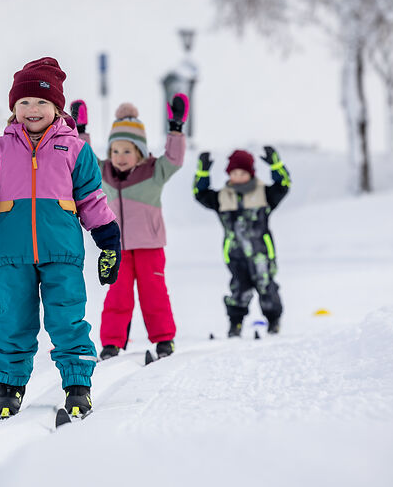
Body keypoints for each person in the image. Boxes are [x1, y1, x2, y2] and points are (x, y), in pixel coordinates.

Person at [0, 57, 121, 419]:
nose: (32, 109)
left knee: (67, 319)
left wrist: (108, 239)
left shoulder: (75, 149)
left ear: (57, 107)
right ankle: (9, 387)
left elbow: (91, 198)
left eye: (41, 102)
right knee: (13, 320)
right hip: (13, 253)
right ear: (13, 108)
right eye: (24, 102)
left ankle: (77, 386)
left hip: (63, 253)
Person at [98, 97, 188, 363]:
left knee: (154, 294)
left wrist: (176, 129)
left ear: (139, 151)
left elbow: (174, 158)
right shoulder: (104, 172)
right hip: (117, 246)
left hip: (149, 245)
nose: (120, 157)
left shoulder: (154, 171)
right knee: (117, 294)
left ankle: (163, 340)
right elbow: (82, 157)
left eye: (127, 151)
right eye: (115, 151)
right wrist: (80, 129)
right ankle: (111, 343)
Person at [193, 147, 291, 336]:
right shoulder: (222, 197)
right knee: (239, 288)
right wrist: (202, 172)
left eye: (243, 173)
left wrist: (276, 165)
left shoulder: (264, 194)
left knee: (266, 285)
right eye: (234, 173)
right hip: (235, 254)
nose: (238, 177)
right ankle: (235, 323)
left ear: (251, 174)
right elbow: (200, 193)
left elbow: (283, 185)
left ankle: (273, 320)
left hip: (261, 253)